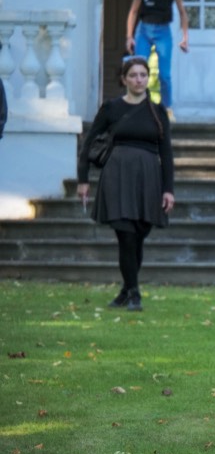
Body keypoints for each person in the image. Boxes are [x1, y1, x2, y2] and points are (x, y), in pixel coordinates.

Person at [77, 56, 175, 312]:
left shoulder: (157, 110)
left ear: (147, 78)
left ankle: (124, 290)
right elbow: (88, 143)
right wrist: (83, 180)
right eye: (133, 75)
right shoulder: (111, 108)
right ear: (124, 79)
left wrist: (168, 190)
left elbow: (166, 153)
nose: (139, 79)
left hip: (148, 179)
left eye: (143, 75)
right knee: (126, 236)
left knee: (139, 236)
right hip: (117, 177)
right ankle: (134, 293)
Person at [125, 0, 189, 120]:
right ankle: (138, 105)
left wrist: (185, 37)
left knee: (164, 75)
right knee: (138, 68)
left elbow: (183, 12)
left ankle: (166, 108)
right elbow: (133, 11)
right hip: (144, 30)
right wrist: (129, 36)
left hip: (163, 31)